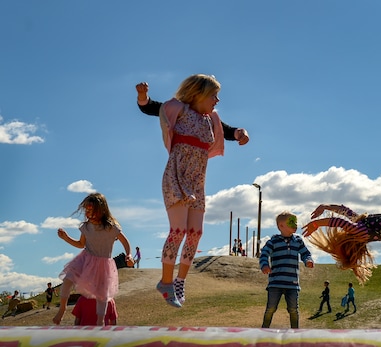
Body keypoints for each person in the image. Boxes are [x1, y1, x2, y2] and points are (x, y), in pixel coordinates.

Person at [134, 76, 250, 308]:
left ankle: (179, 282)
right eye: (213, 95)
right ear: (198, 94)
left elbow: (227, 131)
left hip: (197, 183)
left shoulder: (211, 120)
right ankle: (165, 282)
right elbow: (153, 109)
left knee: (195, 233)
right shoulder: (180, 109)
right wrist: (143, 97)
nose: (217, 100)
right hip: (176, 178)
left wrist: (239, 133)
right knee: (178, 230)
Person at [52, 193, 134, 326]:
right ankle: (62, 310)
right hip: (85, 259)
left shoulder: (111, 227)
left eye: (92, 211)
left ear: (102, 210)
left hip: (103, 263)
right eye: (87, 211)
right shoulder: (86, 227)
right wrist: (66, 238)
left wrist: (129, 255)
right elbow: (81, 244)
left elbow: (125, 242)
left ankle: (100, 322)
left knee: (102, 295)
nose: (90, 215)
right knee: (68, 279)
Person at [259, 212, 314, 329]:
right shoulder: (273, 241)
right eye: (291, 222)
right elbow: (264, 253)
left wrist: (308, 260)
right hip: (275, 283)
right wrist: (264, 265)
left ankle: (295, 332)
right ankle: (264, 330)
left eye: (295, 222)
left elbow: (305, 253)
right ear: (281, 226)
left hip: (292, 284)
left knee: (293, 309)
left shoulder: (298, 241)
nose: (295, 225)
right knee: (271, 308)